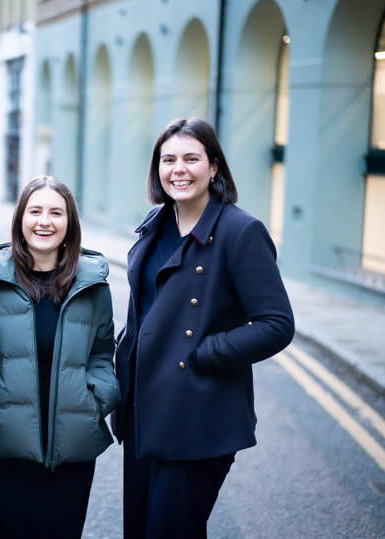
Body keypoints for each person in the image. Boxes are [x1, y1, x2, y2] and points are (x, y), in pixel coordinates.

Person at [113, 118, 295, 538]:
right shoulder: (154, 223)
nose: (179, 169)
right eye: (168, 159)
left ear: (214, 167)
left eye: (191, 158)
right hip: (143, 410)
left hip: (197, 415)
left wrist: (205, 353)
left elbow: (276, 324)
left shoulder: (240, 231)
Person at [0, 176, 121, 539]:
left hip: (73, 449)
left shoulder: (92, 283)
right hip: (4, 445)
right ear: (20, 219)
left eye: (56, 212)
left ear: (69, 224)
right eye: (35, 211)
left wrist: (97, 398)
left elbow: (102, 349)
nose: (44, 221)